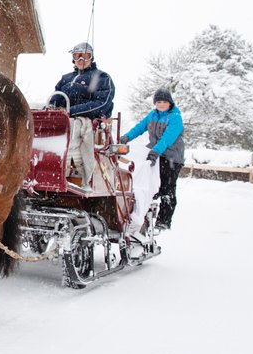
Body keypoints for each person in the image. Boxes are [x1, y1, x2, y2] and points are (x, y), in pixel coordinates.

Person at [49, 42, 116, 187]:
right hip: (62, 118)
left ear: (91, 58)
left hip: (86, 120)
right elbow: (55, 98)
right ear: (72, 58)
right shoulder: (66, 78)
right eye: (77, 56)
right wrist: (52, 109)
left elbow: (102, 104)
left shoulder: (101, 77)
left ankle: (76, 168)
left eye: (85, 56)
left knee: (76, 125)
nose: (81, 60)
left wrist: (71, 112)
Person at [120, 88, 185, 230]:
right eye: (158, 101)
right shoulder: (152, 115)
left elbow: (167, 139)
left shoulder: (175, 117)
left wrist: (155, 151)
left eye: (164, 101)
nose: (161, 104)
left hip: (172, 157)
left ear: (170, 103)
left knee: (166, 189)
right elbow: (139, 128)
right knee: (150, 185)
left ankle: (164, 220)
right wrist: (125, 138)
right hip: (155, 154)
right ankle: (144, 214)